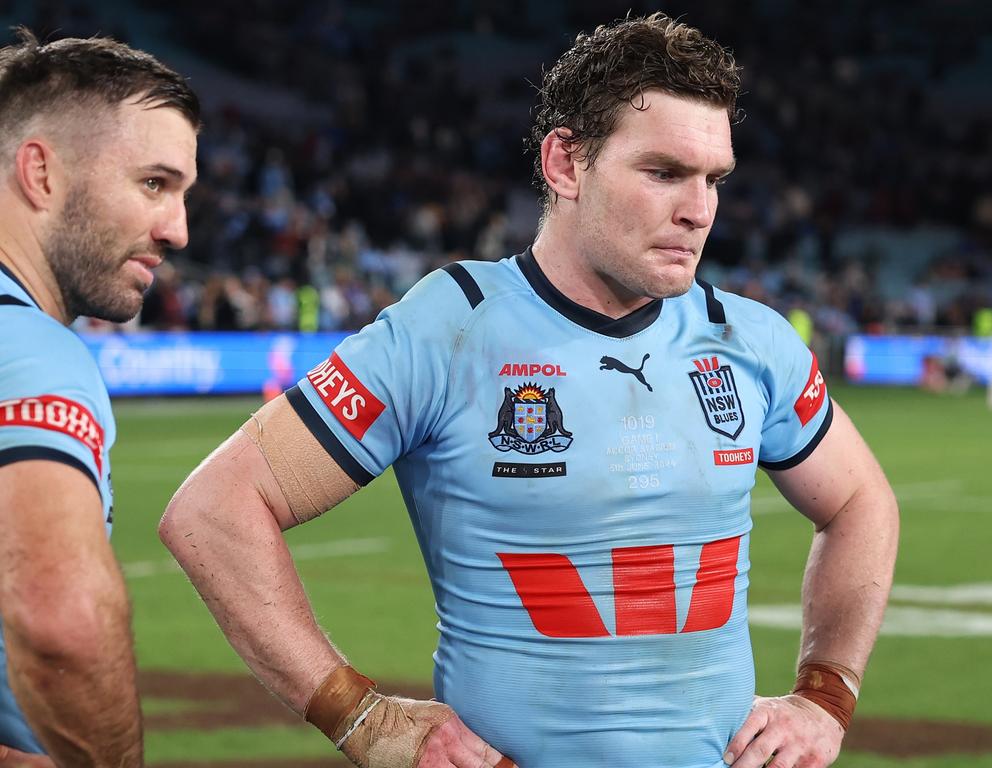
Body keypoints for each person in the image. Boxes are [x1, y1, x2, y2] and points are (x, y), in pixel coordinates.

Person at [160, 13, 898, 768]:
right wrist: (359, 715)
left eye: (714, 179)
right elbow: (213, 510)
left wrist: (826, 696)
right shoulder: (449, 330)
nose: (699, 209)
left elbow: (860, 501)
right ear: (565, 165)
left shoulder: (748, 339)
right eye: (664, 172)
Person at [0, 29, 199, 766]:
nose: (177, 229)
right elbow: (63, 623)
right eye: (154, 183)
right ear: (42, 174)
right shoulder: (31, 350)